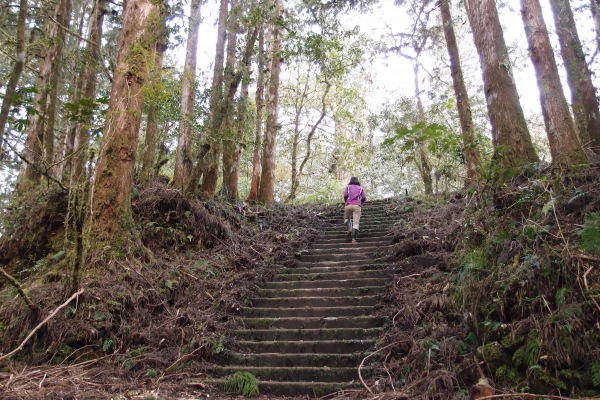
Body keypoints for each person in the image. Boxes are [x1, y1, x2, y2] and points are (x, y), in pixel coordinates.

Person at [343, 177, 366, 243]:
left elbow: (345, 195)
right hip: (357, 205)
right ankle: (353, 239)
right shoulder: (360, 188)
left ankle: (350, 228)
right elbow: (364, 197)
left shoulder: (348, 187)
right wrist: (360, 203)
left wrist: (346, 202)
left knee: (347, 218)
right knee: (356, 223)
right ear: (357, 181)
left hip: (348, 205)